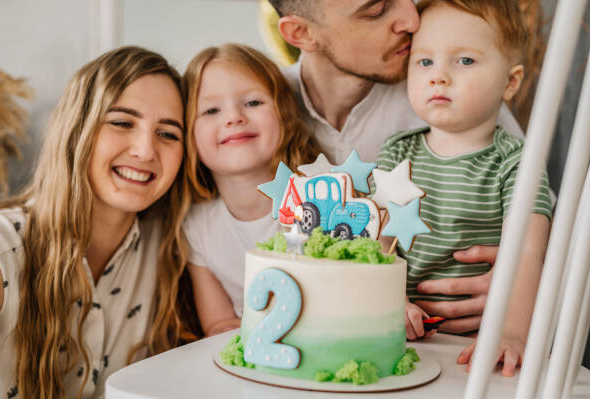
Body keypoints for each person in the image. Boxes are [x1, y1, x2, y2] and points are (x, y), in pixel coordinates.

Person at [268, 0, 522, 335]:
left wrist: (520, 282)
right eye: (376, 10)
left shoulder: (456, 93)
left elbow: (547, 226)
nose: (411, 19)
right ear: (300, 33)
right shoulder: (256, 108)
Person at [0, 46, 199, 399]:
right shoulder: (1, 248)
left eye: (168, 134)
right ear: (76, 129)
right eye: (121, 122)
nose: (146, 150)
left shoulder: (174, 247)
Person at [375, 0, 552, 376]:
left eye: (465, 61)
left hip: (478, 346)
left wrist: (511, 331)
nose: (439, 76)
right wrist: (388, 302)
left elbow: (528, 251)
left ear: (510, 82)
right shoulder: (397, 152)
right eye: (425, 62)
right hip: (398, 335)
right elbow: (378, 242)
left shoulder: (517, 161)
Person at [182, 43, 321, 336]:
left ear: (284, 114)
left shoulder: (320, 200)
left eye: (253, 103)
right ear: (188, 135)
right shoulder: (197, 226)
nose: (234, 117)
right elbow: (218, 325)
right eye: (211, 110)